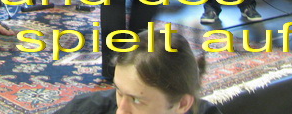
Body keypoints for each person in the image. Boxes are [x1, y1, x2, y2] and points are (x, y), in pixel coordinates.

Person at [54, 29, 223, 114]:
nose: (121, 111)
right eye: (119, 92)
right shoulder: (84, 110)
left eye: (136, 100)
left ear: (182, 104)